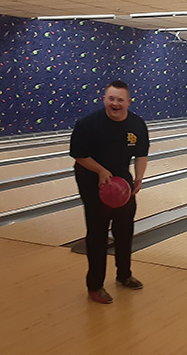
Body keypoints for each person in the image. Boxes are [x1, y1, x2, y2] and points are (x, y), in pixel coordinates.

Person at [69, 80, 149, 304]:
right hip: (92, 182)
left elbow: (141, 154)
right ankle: (95, 286)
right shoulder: (88, 124)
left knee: (125, 230)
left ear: (128, 102)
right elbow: (78, 155)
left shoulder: (137, 124)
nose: (115, 103)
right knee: (97, 234)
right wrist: (100, 170)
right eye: (111, 98)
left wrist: (139, 177)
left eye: (120, 100)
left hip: (122, 182)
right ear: (104, 99)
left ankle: (124, 274)